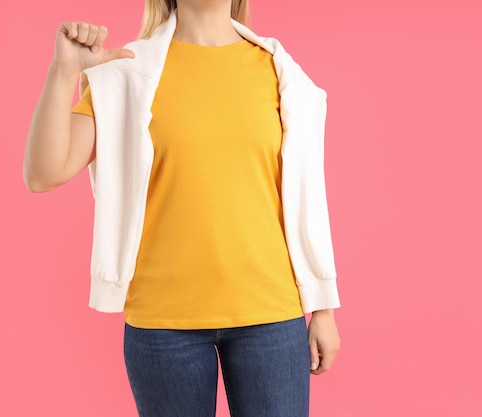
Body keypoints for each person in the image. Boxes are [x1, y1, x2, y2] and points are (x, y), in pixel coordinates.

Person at [23, 0, 341, 416]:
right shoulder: (125, 74)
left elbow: (306, 196)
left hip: (271, 317)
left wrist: (323, 306)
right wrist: (64, 71)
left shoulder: (281, 74)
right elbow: (43, 173)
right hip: (162, 324)